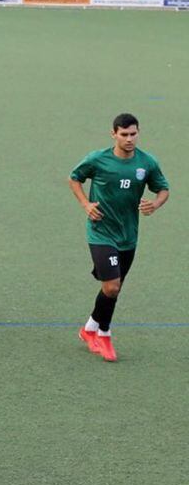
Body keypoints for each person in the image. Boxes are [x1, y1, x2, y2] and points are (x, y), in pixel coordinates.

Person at [69, 113, 169, 362]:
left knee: (113, 288)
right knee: (112, 286)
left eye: (133, 134)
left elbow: (163, 188)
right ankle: (104, 333)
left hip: (128, 236)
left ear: (138, 133)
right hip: (101, 232)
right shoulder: (98, 159)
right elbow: (74, 178)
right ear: (113, 134)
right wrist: (85, 204)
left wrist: (155, 204)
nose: (129, 139)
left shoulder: (146, 163)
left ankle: (89, 328)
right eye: (124, 134)